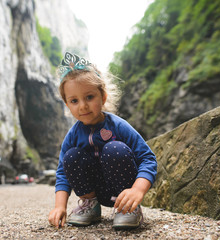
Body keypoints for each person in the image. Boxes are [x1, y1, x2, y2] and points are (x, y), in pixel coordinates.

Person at [48, 52, 157, 230]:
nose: (82, 106)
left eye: (89, 97)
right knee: (71, 155)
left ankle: (129, 209)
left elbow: (148, 158)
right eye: (74, 100)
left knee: (115, 148)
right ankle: (90, 206)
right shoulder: (73, 135)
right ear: (67, 105)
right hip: (94, 191)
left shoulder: (119, 126)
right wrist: (59, 206)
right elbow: (62, 173)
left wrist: (137, 190)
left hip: (123, 191)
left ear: (103, 96)